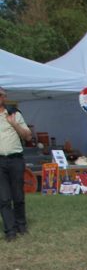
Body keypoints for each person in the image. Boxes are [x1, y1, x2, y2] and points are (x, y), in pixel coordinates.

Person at [0, 86, 34, 241]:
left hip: (15, 159)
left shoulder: (14, 113)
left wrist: (14, 124)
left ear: (3, 98)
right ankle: (10, 231)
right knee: (4, 198)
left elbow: (27, 137)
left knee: (18, 196)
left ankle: (21, 225)